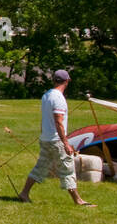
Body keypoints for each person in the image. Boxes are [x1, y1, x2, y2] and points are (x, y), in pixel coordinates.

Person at [17, 70, 94, 206]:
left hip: (46, 138)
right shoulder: (58, 98)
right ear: (67, 81)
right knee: (67, 168)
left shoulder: (46, 95)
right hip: (56, 140)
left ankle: (24, 193)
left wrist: (43, 133)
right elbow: (58, 121)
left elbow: (45, 118)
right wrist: (66, 143)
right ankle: (78, 200)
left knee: (41, 167)